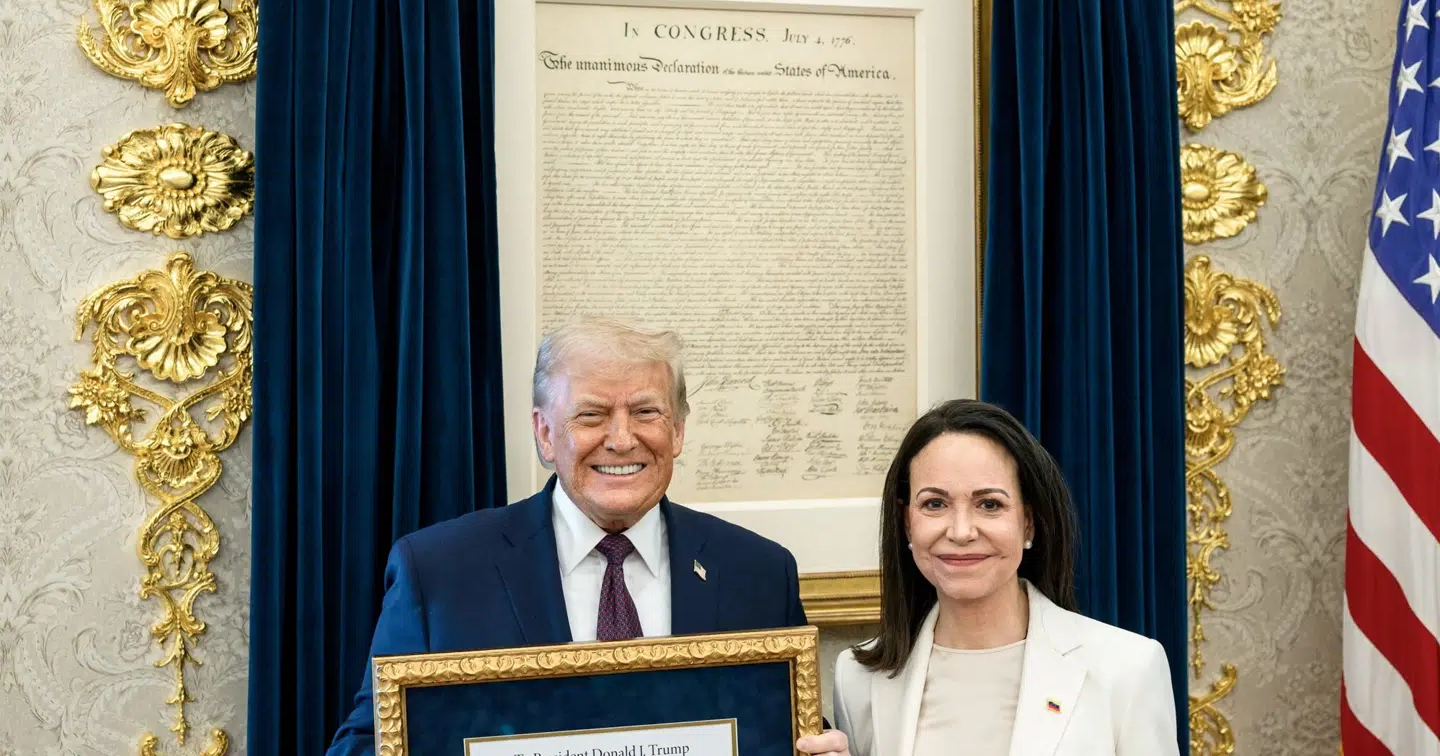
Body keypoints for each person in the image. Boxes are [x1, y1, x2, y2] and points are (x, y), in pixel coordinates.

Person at [327, 317, 849, 756]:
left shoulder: (757, 572)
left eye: (646, 412)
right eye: (592, 415)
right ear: (545, 433)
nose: (622, 439)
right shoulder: (438, 573)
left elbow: (786, 731)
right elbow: (369, 740)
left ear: (679, 430)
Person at [833, 399, 1178, 756]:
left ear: (1028, 521)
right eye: (935, 504)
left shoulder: (1128, 669)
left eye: (990, 505)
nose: (961, 531)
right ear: (907, 522)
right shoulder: (857, 678)